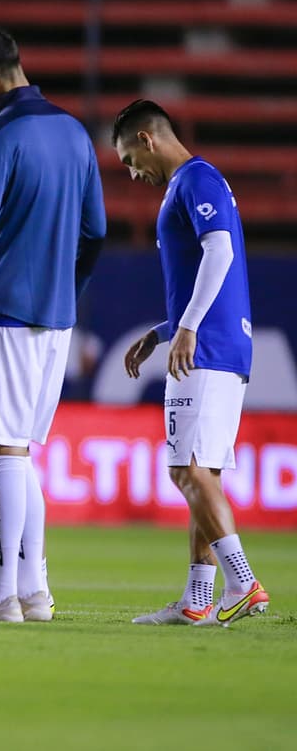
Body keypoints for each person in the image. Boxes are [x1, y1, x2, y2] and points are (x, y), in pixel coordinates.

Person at [0, 26, 106, 622]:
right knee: (17, 451)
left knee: (1, 453)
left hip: (1, 312)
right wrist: (68, 290)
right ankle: (35, 591)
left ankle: (2, 593)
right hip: (57, 316)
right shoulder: (74, 132)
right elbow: (95, 231)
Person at [113, 100, 268, 626]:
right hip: (225, 345)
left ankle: (242, 582)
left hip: (208, 347)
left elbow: (219, 252)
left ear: (146, 138)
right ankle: (198, 600)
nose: (133, 173)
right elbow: (203, 272)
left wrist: (186, 329)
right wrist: (163, 332)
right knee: (204, 472)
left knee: (185, 469)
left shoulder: (194, 180)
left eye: (129, 159)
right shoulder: (195, 185)